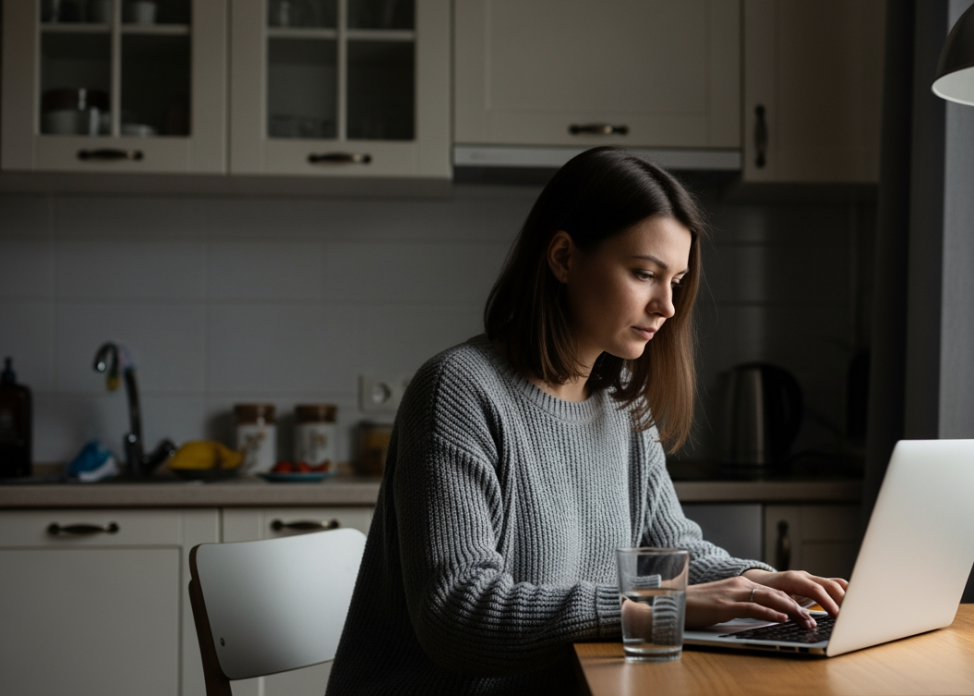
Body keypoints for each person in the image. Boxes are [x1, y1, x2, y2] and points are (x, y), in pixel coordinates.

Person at [326, 147, 847, 695]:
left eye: (676, 280)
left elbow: (669, 550)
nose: (667, 306)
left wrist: (763, 583)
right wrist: (661, 610)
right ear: (563, 257)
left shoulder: (621, 404)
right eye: (645, 274)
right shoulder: (459, 390)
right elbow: (460, 618)